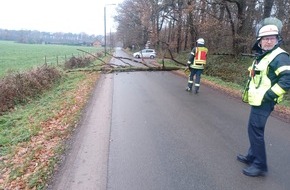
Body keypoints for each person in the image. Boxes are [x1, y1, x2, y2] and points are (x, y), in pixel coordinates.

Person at [237, 17, 290, 177]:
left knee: (255, 131)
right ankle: (252, 156)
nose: (268, 42)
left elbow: (287, 80)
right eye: (265, 39)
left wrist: (269, 95)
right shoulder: (265, 55)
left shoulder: (280, 56)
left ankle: (260, 165)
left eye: (271, 38)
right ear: (260, 41)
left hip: (264, 101)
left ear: (277, 39)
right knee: (253, 130)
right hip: (259, 100)